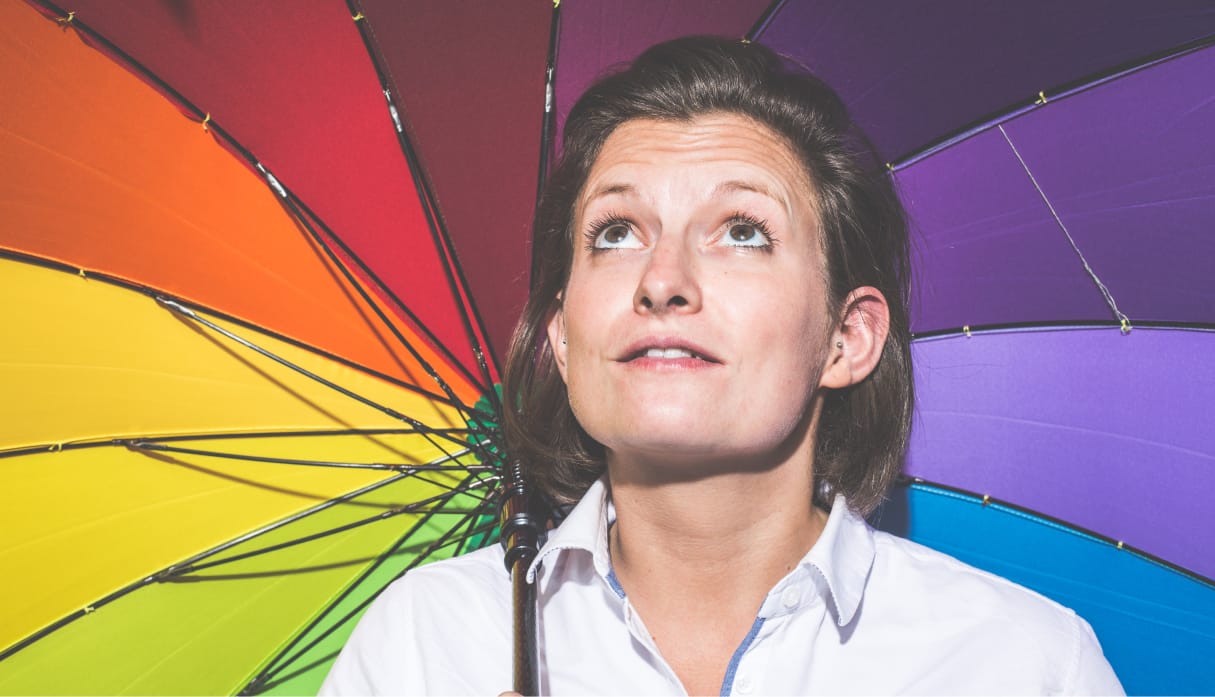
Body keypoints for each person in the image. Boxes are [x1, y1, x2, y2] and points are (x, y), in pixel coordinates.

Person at [321, 36, 1122, 695]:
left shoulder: (1023, 665)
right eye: (614, 232)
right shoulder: (424, 648)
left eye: (741, 229)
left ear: (846, 338)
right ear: (562, 338)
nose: (661, 279)